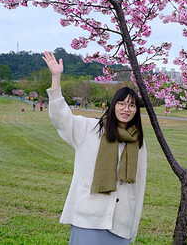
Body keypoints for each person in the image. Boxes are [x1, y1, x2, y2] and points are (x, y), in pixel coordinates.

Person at [42, 51, 147, 244]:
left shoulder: (137, 142)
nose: (126, 109)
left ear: (136, 111)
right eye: (122, 104)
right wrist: (56, 77)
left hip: (120, 224)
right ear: (113, 105)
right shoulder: (89, 128)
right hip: (88, 219)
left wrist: (133, 227)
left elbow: (139, 187)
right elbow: (61, 118)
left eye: (132, 106)